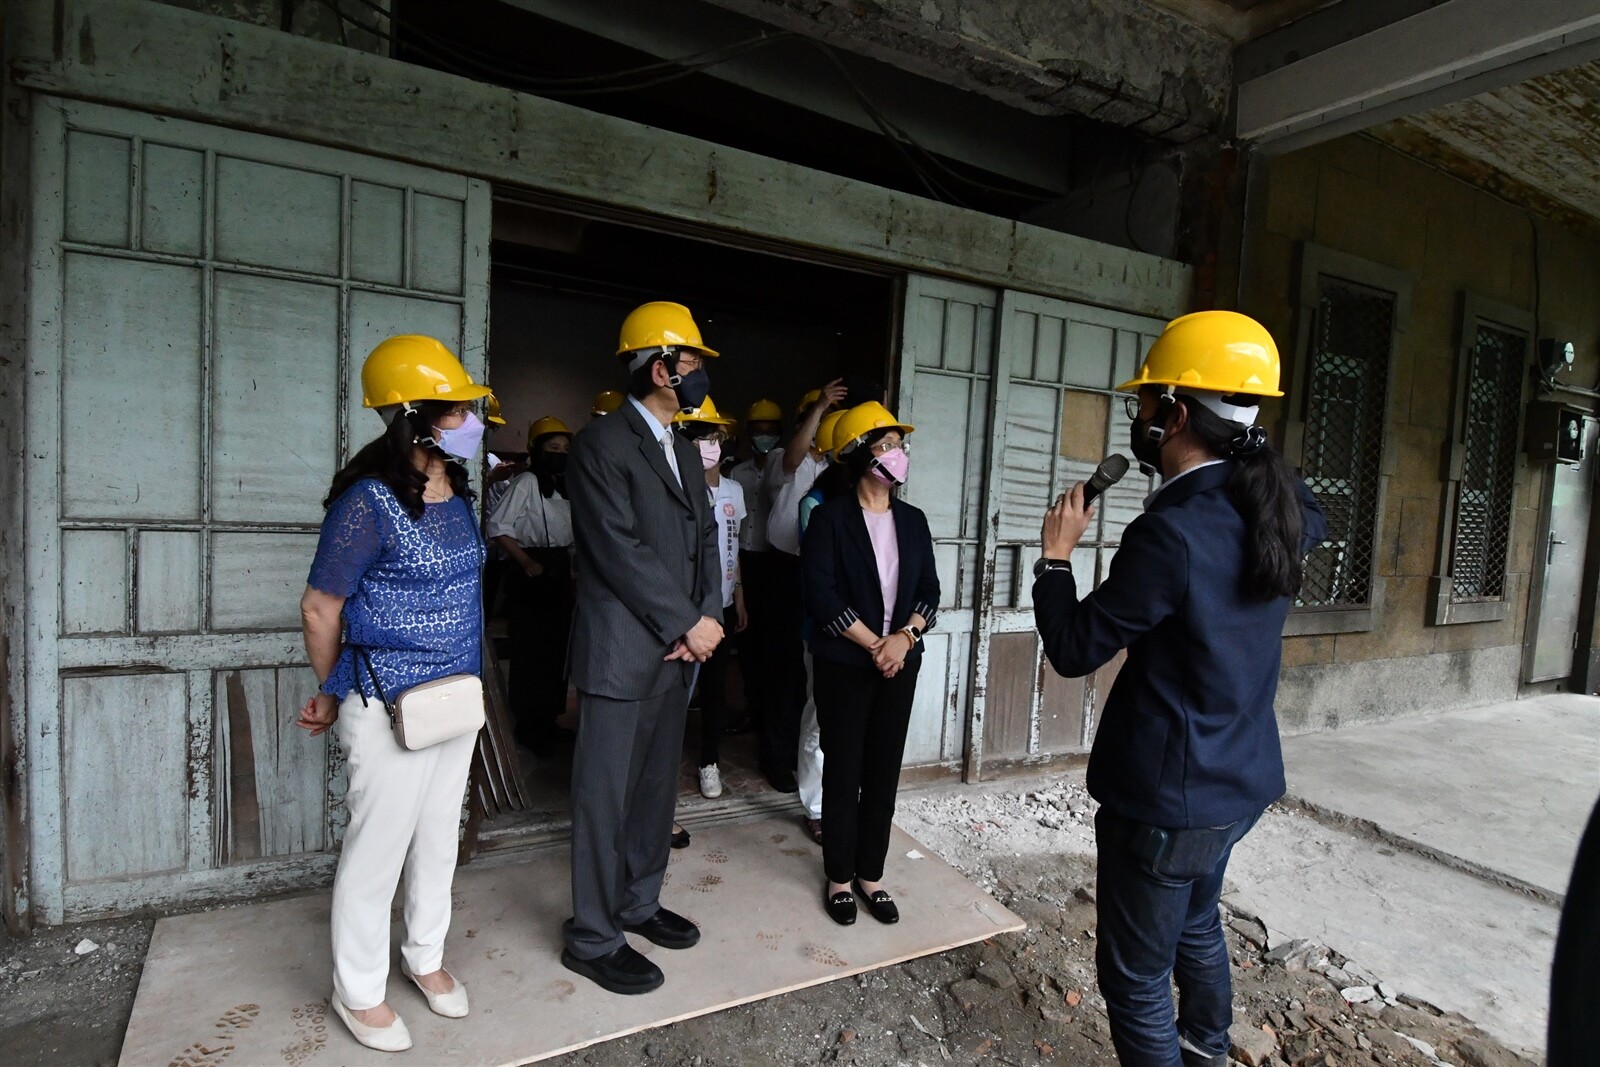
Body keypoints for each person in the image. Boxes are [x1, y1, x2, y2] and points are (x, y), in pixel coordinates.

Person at [1031, 310, 1327, 1067]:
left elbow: (1072, 647)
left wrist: (1056, 559)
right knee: (1197, 921)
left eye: (1144, 405)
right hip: (1241, 782)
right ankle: (1208, 1051)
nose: (1138, 419)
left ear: (1179, 412)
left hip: (1169, 801)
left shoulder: (1172, 533)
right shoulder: (1282, 500)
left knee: (1133, 980)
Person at [296, 334, 491, 1053]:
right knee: (378, 847)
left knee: (439, 836)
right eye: (461, 407)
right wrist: (330, 687)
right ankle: (359, 990)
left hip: (454, 699)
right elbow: (321, 607)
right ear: (417, 412)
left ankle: (425, 957)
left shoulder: (455, 488)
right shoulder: (366, 503)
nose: (473, 417)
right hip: (386, 703)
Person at [561, 300, 724, 996]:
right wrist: (686, 621)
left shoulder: (683, 447)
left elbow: (706, 540)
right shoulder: (599, 445)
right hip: (624, 652)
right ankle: (593, 936)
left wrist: (707, 615)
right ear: (660, 367)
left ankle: (638, 901)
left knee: (656, 792)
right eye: (690, 365)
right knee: (604, 797)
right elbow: (617, 549)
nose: (697, 378)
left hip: (676, 650)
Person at [802, 401, 939, 927]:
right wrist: (873, 645)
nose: (896, 455)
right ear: (859, 456)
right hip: (845, 662)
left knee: (882, 772)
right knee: (843, 770)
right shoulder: (829, 519)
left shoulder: (913, 520)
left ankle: (871, 875)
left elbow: (929, 590)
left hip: (899, 663)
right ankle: (839, 876)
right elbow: (821, 592)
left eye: (898, 445)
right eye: (884, 446)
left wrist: (903, 639)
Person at [760, 381, 849, 793]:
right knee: (780, 669)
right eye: (817, 419)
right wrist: (820, 404)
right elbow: (794, 458)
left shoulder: (840, 472)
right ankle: (776, 758)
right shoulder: (783, 457)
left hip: (819, 577)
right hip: (782, 571)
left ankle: (805, 760)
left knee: (812, 674)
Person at [487, 416, 576, 755]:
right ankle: (527, 723)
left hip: (558, 569)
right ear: (537, 450)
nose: (560, 454)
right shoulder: (525, 482)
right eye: (553, 448)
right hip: (531, 570)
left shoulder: (565, 485)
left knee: (556, 649)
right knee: (531, 650)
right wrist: (525, 561)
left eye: (565, 449)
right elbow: (498, 526)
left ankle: (549, 719)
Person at [673, 397, 748, 799]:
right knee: (676, 688)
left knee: (715, 688)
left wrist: (738, 595)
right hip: (684, 607)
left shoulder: (735, 490)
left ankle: (709, 761)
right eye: (700, 438)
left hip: (719, 604)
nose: (709, 446)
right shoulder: (675, 487)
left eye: (715, 438)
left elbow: (734, 549)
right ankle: (663, 762)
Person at [794, 409, 849, 844]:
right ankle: (815, 805)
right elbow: (821, 581)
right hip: (826, 632)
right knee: (819, 717)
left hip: (871, 636)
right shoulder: (814, 506)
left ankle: (845, 799)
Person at [726, 398, 784, 737]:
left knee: (771, 641)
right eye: (758, 432)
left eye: (771, 432)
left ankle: (767, 711)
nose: (764, 437)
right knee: (745, 640)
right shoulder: (737, 473)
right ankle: (749, 705)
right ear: (749, 434)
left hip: (773, 562)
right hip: (743, 561)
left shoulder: (783, 470)